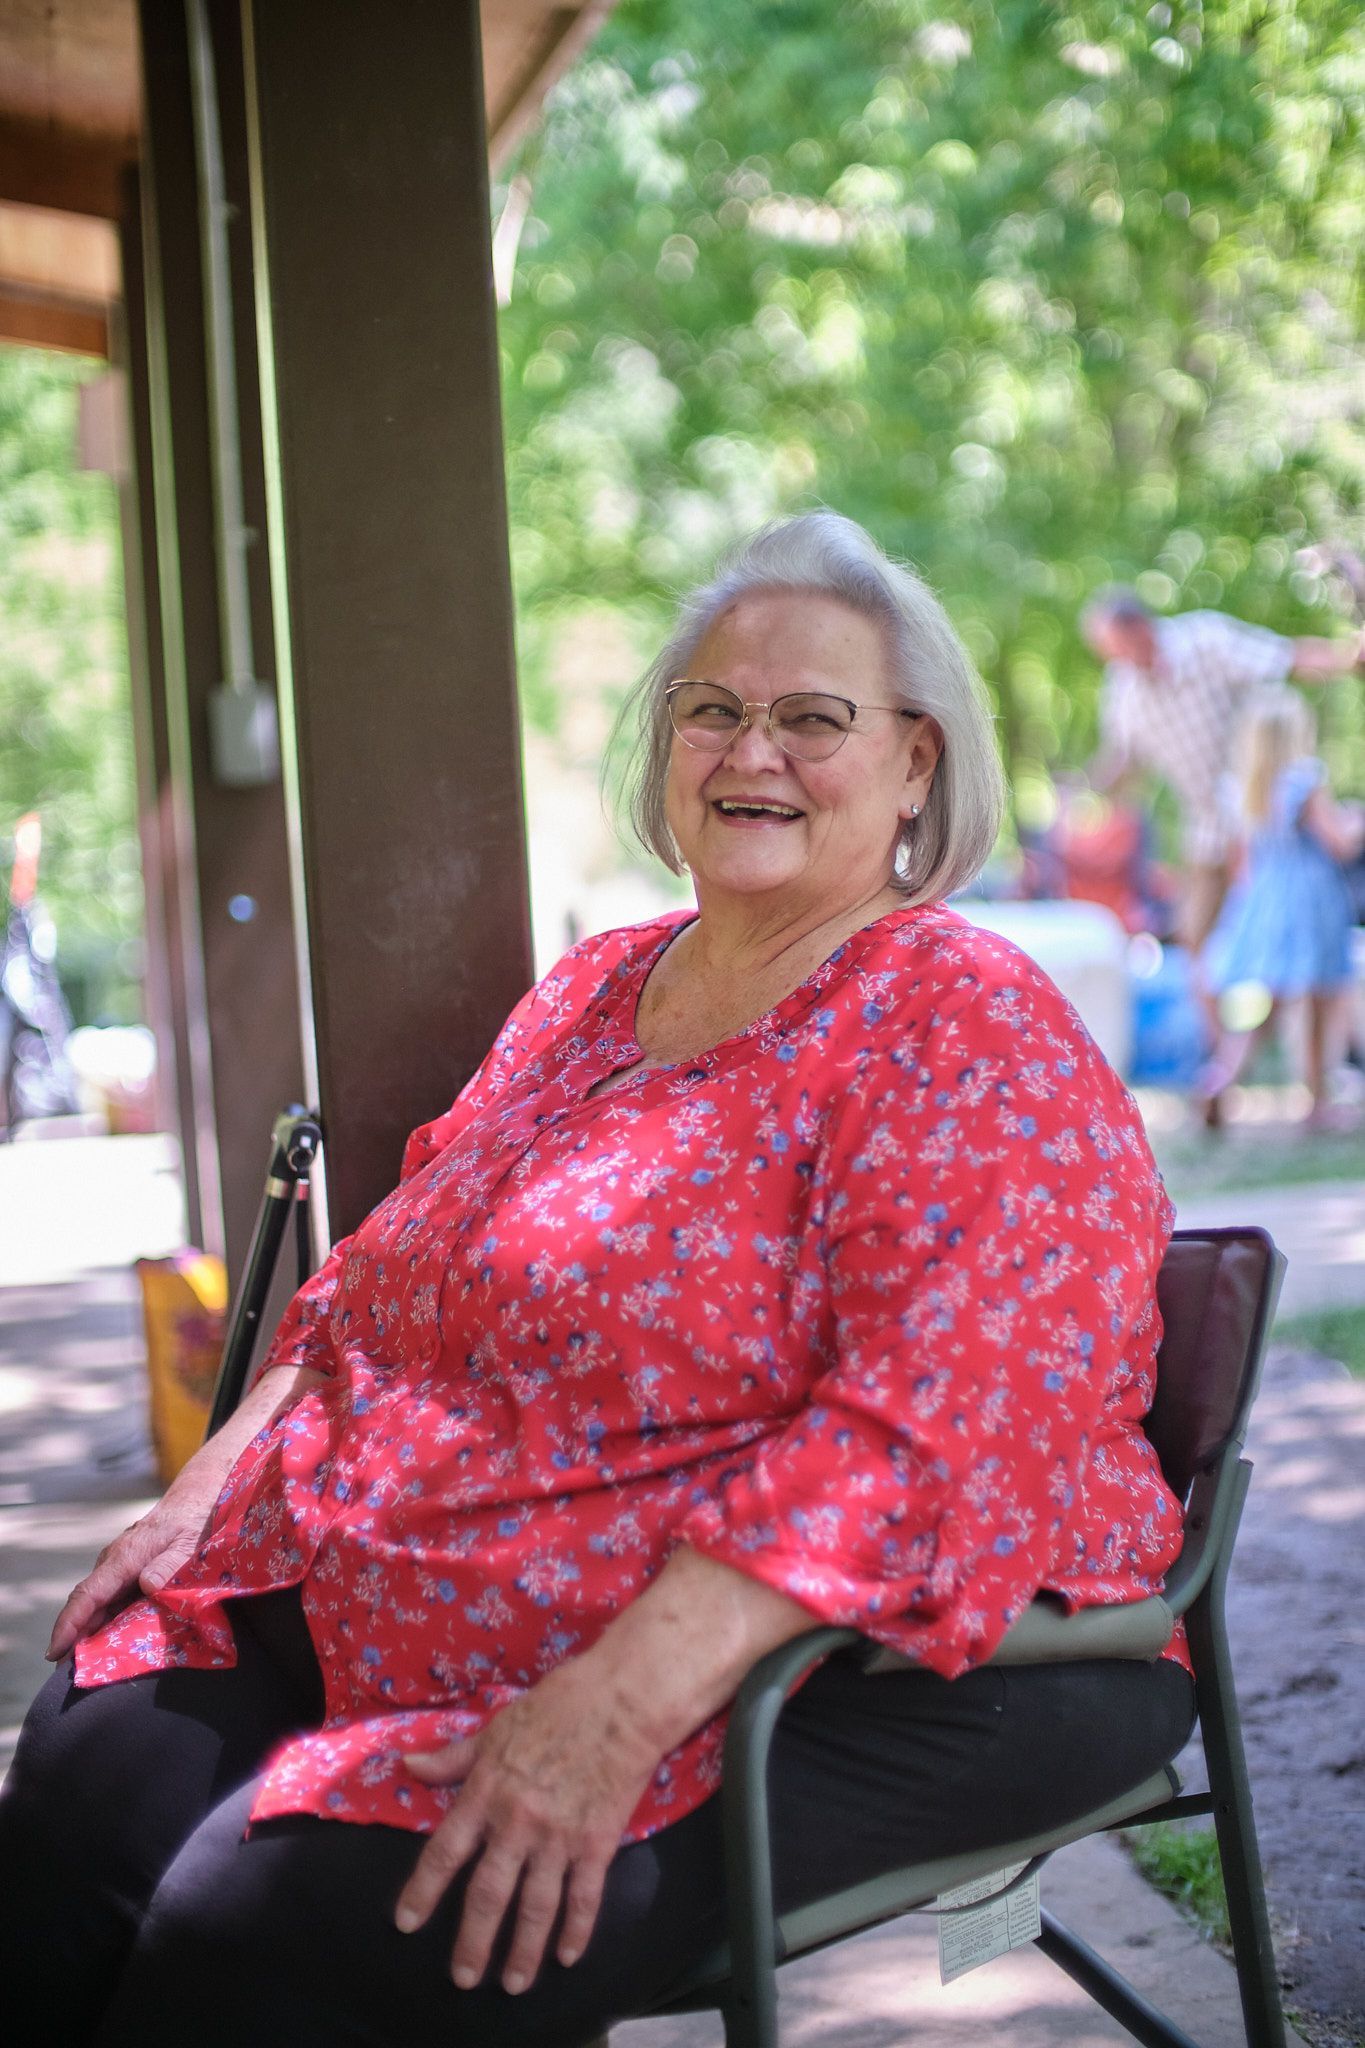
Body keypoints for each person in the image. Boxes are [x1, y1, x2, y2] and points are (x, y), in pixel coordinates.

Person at [0, 513, 1197, 2048]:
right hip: (434, 1589)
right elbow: (378, 1280)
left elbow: (926, 1432)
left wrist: (609, 1715)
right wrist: (207, 1500)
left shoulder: (960, 1022)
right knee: (82, 1783)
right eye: (713, 709)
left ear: (915, 763)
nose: (751, 748)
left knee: (263, 1929)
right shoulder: (594, 989)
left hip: (835, 1660)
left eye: (814, 717)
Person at [1082, 586, 1362, 954]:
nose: (1113, 659)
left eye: (1114, 646)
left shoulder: (1205, 641)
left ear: (1138, 627)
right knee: (1195, 936)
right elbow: (1123, 759)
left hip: (1260, 819)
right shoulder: (1122, 687)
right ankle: (1212, 1013)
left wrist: (1347, 659)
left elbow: (1286, 657)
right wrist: (1087, 789)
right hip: (1205, 826)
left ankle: (1275, 1011)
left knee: (1280, 935)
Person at [1198, 686, 1365, 1128]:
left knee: (1269, 1004)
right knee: (1319, 1000)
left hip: (1265, 898)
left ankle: (1219, 1079)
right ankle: (1317, 1102)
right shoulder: (1303, 780)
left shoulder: (1241, 786)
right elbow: (1339, 843)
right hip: (1311, 900)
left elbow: (1244, 860)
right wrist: (1356, 822)